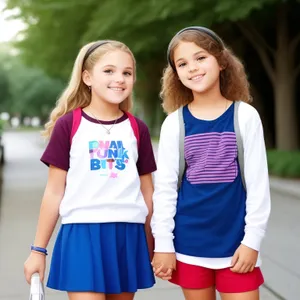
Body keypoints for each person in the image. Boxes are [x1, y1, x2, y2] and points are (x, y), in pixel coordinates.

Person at [24, 40, 157, 300]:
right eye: (109, 71)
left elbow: (148, 193)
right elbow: (53, 192)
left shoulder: (137, 128)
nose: (119, 79)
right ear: (87, 77)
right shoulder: (69, 125)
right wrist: (38, 250)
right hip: (82, 234)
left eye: (127, 73)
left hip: (127, 235)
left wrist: (154, 243)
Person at [151, 26, 271, 300]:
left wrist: (252, 241)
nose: (192, 68)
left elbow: (258, 187)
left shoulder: (245, 117)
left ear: (221, 60)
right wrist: (163, 245)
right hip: (189, 245)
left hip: (237, 245)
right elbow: (166, 190)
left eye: (200, 58)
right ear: (176, 74)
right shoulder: (175, 124)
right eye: (182, 63)